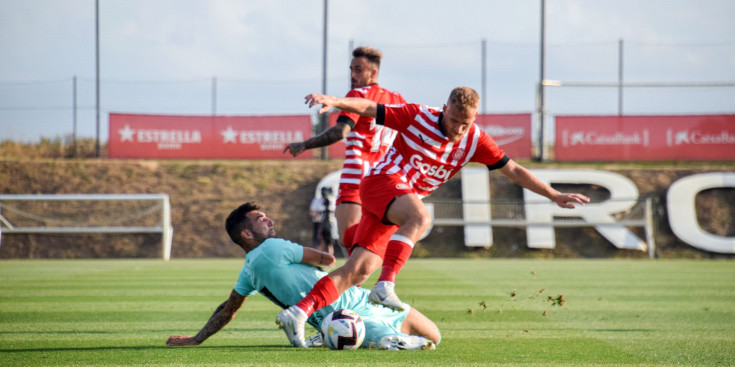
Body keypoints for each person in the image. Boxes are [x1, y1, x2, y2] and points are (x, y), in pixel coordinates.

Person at [275, 87, 591, 347]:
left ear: (475, 118)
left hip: (393, 203)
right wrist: (334, 101)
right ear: (444, 109)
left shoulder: (475, 140)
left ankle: (298, 313)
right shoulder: (418, 117)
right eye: (453, 120)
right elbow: (371, 107)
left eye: (464, 123)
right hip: (380, 183)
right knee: (421, 217)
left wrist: (554, 195)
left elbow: (514, 171)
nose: (457, 129)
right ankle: (386, 286)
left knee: (357, 271)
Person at [166, 202, 440, 350]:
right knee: (431, 338)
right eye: (261, 219)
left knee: (428, 338)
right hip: (350, 313)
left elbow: (227, 310)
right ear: (246, 234)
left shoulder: (248, 272)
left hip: (335, 319)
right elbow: (329, 260)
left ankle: (324, 336)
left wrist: (197, 338)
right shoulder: (274, 246)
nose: (269, 221)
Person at [283, 46, 405, 252]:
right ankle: (379, 281)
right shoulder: (397, 100)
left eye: (359, 70)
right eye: (351, 69)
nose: (352, 75)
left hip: (357, 180)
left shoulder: (358, 95)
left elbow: (340, 132)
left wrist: (304, 144)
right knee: (372, 245)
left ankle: (354, 284)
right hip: (384, 181)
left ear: (373, 73)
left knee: (351, 243)